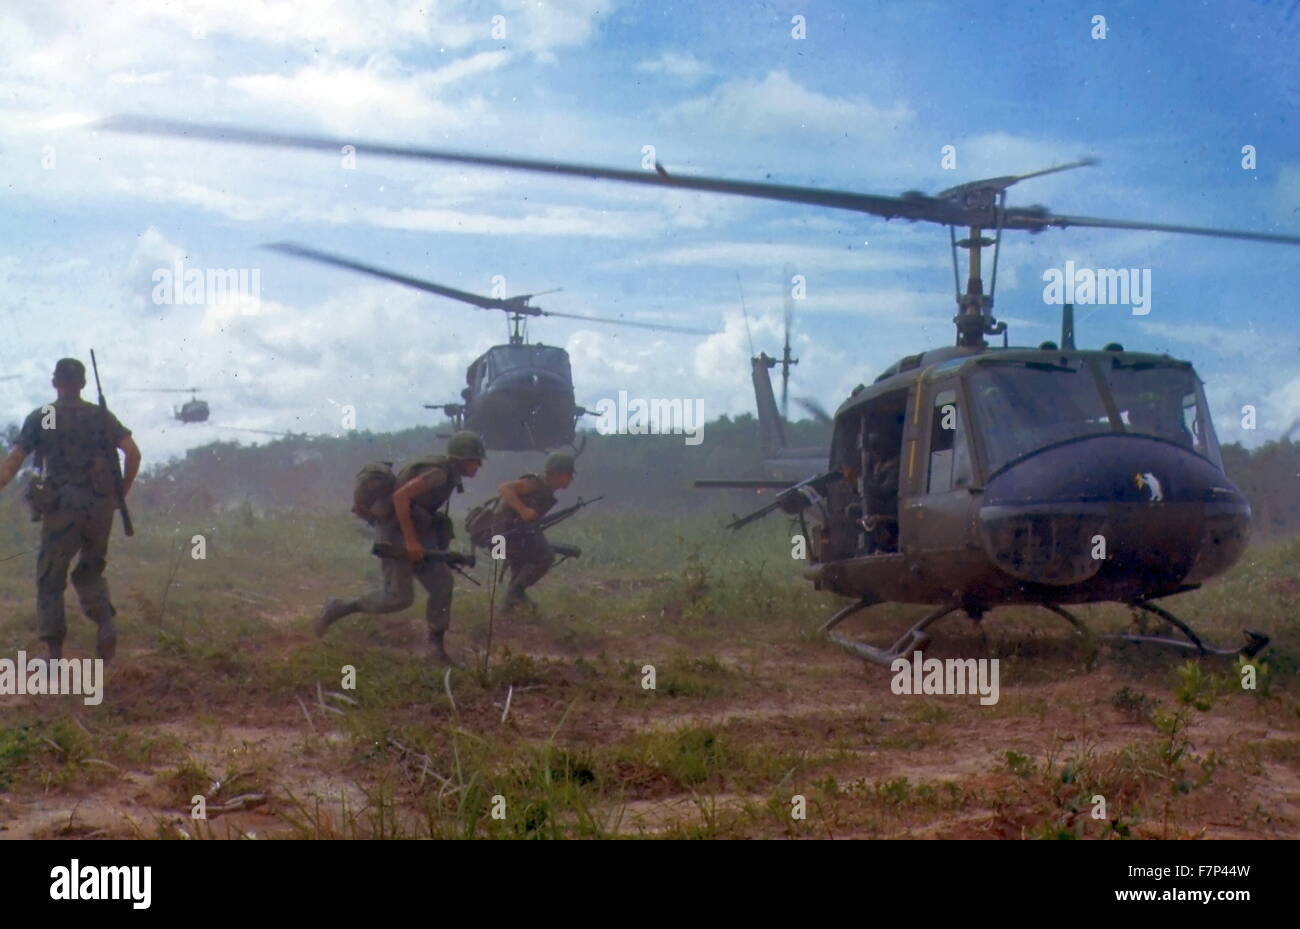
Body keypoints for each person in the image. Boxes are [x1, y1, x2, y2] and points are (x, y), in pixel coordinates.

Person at [0, 358, 141, 661]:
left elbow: (15, 460)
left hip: (62, 508)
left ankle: (53, 655)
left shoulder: (43, 416)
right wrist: (119, 496)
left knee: (50, 578)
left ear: (55, 383)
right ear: (83, 385)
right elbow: (133, 452)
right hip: (99, 509)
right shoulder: (100, 416)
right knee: (90, 571)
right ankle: (105, 625)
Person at [314, 430, 486, 664]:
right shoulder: (438, 474)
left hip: (415, 533)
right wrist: (411, 541)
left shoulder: (446, 472)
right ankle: (339, 607)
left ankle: (436, 648)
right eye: (477, 460)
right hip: (397, 534)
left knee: (442, 582)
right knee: (398, 598)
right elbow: (400, 497)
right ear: (464, 458)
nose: (479, 466)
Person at [493, 452, 575, 611]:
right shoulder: (535, 483)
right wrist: (523, 510)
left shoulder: (547, 489)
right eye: (569, 474)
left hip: (515, 533)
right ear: (557, 474)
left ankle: (508, 607)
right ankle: (514, 595)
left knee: (521, 566)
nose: (571, 478)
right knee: (545, 556)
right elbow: (504, 487)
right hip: (503, 534)